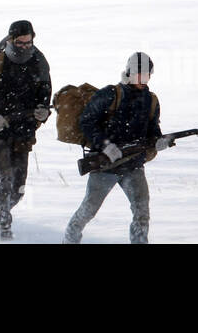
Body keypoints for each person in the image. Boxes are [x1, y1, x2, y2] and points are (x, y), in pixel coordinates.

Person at [63, 52, 167, 244]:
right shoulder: (110, 94)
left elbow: (153, 129)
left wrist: (159, 141)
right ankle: (69, 240)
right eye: (138, 74)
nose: (142, 79)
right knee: (88, 210)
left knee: (142, 212)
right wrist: (105, 145)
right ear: (128, 72)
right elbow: (86, 122)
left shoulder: (151, 100)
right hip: (105, 166)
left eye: (146, 75)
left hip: (134, 166)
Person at [0, 20, 52, 240]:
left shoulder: (39, 61)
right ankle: (4, 230)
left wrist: (43, 112)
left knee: (18, 189)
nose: (25, 46)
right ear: (10, 39)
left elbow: (45, 94)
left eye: (28, 42)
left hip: (24, 131)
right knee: (4, 178)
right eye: (20, 42)